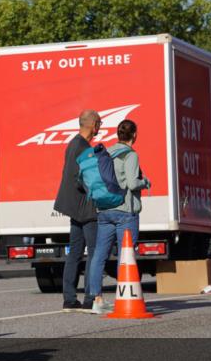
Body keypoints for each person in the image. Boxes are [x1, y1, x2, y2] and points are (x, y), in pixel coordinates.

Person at [84, 119, 150, 314]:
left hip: (104, 210)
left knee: (99, 255)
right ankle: (125, 297)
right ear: (134, 135)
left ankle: (96, 299)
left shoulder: (107, 152)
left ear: (118, 134)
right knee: (125, 255)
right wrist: (145, 182)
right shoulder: (130, 155)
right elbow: (132, 183)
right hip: (125, 211)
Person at [53, 109, 102, 312]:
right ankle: (90, 298)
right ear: (93, 125)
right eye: (99, 123)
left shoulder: (73, 143)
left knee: (75, 252)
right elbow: (83, 179)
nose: (100, 127)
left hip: (74, 206)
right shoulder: (84, 148)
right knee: (94, 252)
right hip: (85, 207)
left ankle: (70, 299)